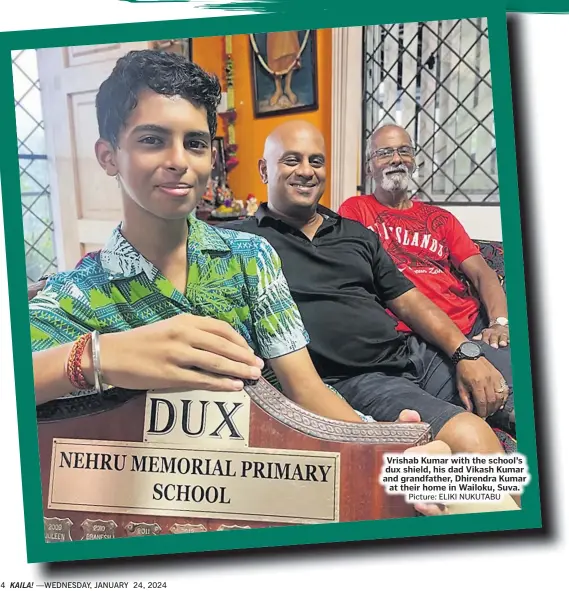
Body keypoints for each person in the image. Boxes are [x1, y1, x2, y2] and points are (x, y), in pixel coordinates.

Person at [28, 49, 363, 426]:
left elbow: (304, 390)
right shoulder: (78, 294)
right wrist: (96, 357)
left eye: (195, 143)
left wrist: (386, 448)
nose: (179, 160)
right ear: (108, 157)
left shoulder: (249, 258)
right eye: (152, 140)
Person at [224, 120, 516, 453]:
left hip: (414, 356)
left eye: (316, 161)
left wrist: (465, 352)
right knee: (471, 437)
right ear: (264, 170)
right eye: (292, 160)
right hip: (358, 378)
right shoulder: (241, 242)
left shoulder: (355, 233)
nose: (306, 171)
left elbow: (410, 301)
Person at [338, 124, 510, 352]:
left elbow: (481, 273)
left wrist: (499, 323)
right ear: (369, 167)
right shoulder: (355, 210)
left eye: (404, 151)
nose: (396, 159)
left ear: (414, 163)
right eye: (385, 153)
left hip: (467, 325)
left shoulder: (441, 218)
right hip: (405, 334)